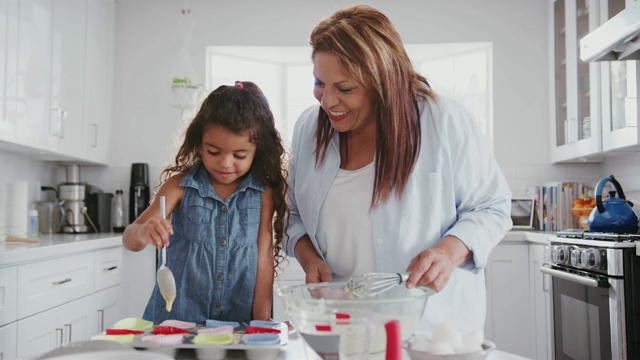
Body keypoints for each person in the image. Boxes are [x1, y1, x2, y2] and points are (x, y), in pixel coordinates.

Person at [283, 5, 512, 335]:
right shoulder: (308, 129)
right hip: (341, 328)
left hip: (430, 331)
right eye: (320, 83)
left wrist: (447, 254)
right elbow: (293, 216)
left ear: (382, 81)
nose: (328, 101)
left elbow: (492, 207)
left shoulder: (443, 122)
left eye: (345, 88)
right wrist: (309, 259)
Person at [123, 81, 288, 325]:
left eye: (239, 155)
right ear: (199, 142)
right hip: (176, 322)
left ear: (258, 150)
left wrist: (261, 323)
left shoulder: (263, 192)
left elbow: (263, 257)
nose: (225, 163)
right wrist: (144, 232)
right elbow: (130, 239)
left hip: (235, 323)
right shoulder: (179, 186)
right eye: (213, 151)